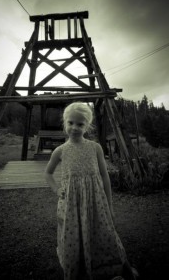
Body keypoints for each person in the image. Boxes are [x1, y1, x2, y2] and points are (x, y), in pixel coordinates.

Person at [45, 102, 137, 280]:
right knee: (74, 242)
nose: (74, 127)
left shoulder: (95, 148)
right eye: (71, 122)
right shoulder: (60, 151)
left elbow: (104, 176)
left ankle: (123, 271)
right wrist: (57, 190)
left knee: (108, 237)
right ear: (65, 123)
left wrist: (109, 206)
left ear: (87, 125)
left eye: (80, 124)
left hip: (97, 203)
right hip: (71, 205)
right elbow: (48, 173)